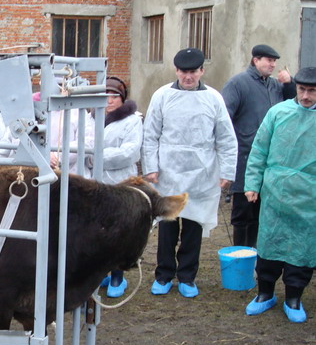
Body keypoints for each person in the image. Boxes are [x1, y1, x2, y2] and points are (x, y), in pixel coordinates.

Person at [142, 48, 237, 298]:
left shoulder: (214, 99)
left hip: (202, 173)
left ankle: (187, 276)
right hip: (169, 172)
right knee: (167, 225)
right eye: (184, 71)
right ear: (176, 71)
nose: (188, 76)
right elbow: (150, 134)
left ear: (201, 71)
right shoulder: (162, 96)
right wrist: (150, 167)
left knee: (193, 228)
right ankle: (163, 274)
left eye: (193, 71)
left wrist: (227, 171)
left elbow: (226, 138)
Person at [243, 67, 316, 323]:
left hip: (309, 197)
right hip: (274, 191)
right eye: (302, 89)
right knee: (269, 242)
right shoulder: (278, 113)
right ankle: (265, 293)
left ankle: (294, 297)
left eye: (312, 91)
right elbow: (259, 149)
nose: (306, 96)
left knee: (302, 247)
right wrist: (252, 183)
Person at [221, 44, 295, 248]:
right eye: (268, 60)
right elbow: (224, 118)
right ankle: (239, 255)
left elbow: (294, 107)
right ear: (255, 60)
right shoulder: (238, 83)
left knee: (261, 212)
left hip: (271, 159)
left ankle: (255, 254)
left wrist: (290, 84)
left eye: (274, 61)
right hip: (245, 157)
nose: (272, 64)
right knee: (243, 213)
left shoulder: (275, 86)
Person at [88, 77, 143, 297]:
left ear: (122, 98)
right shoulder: (91, 117)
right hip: (96, 182)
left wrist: (95, 157)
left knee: (120, 231)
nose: (109, 101)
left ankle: (118, 277)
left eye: (114, 96)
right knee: (98, 231)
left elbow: (129, 152)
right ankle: (101, 272)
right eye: (105, 96)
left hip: (121, 181)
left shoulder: (132, 121)